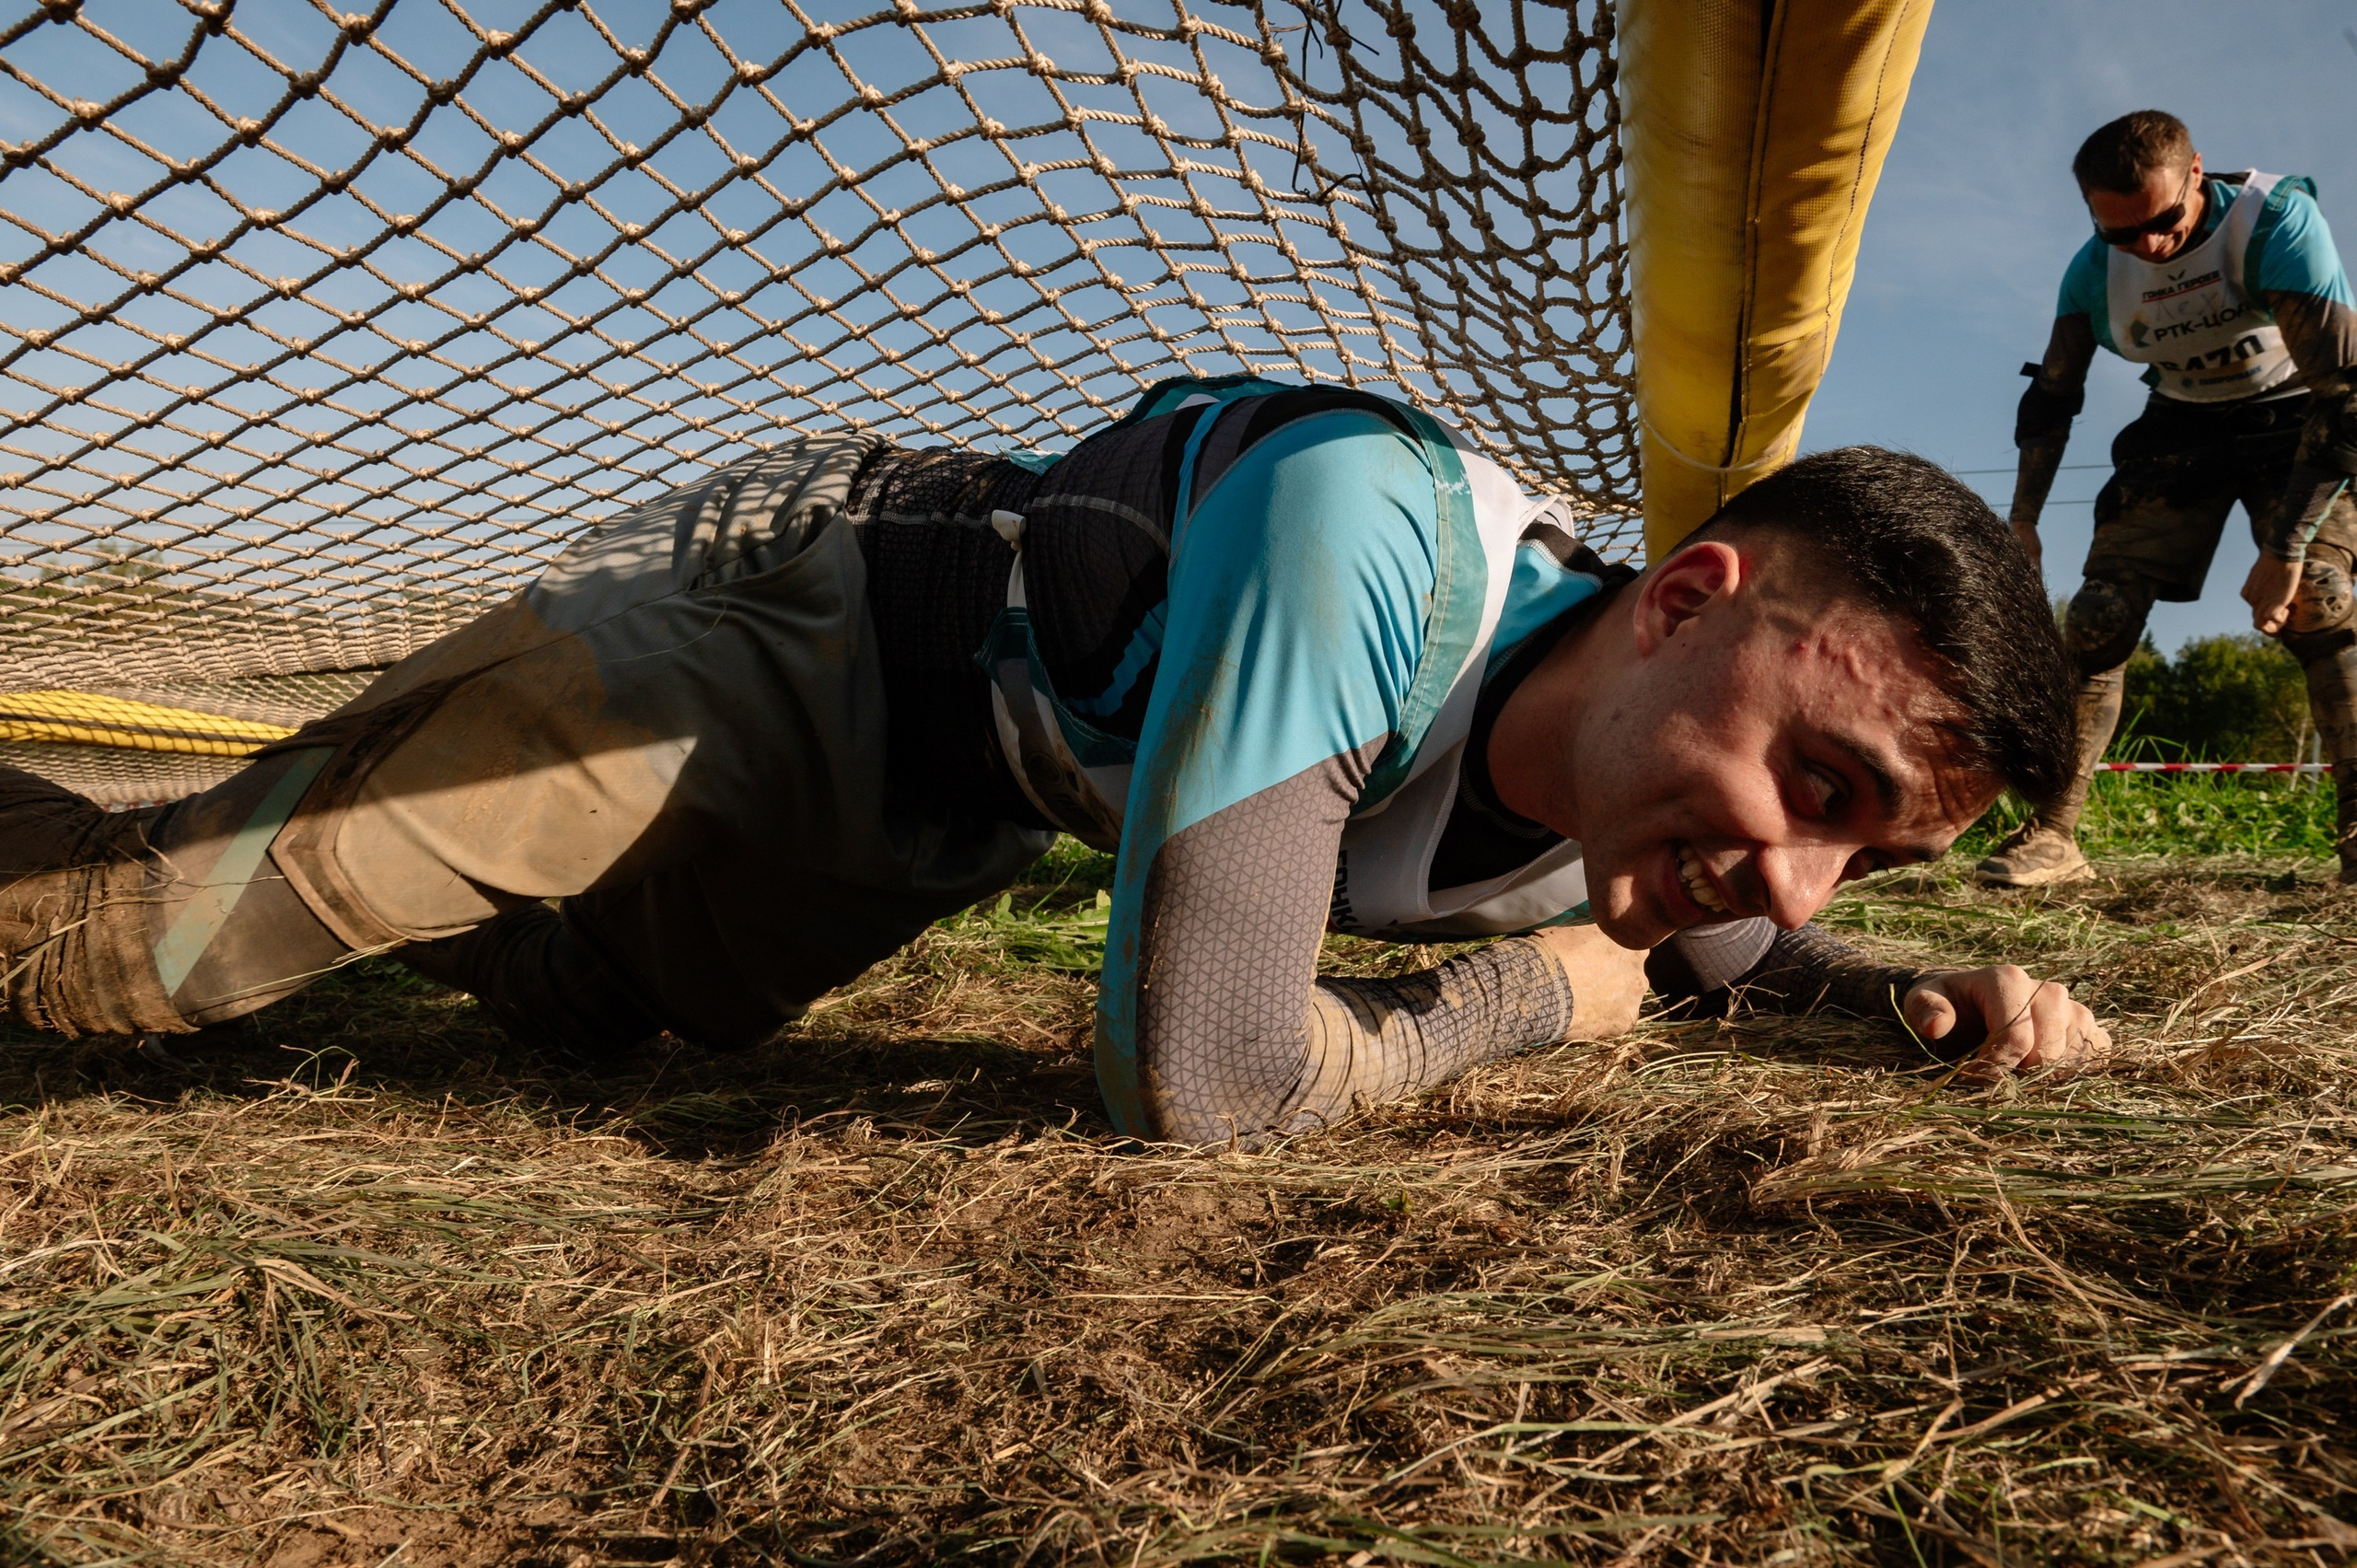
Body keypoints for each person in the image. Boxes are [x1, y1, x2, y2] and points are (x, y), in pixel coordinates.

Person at [0, 377, 2107, 1145]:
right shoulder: (1369, 536)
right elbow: (1203, 1080)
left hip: (943, 803)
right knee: (113, 947)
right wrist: (1513, 1003)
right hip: (789, 623)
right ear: (1678, 602)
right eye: (1817, 791)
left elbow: (1755, 975)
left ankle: (450, 886)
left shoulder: (1667, 802)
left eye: (1866, 855)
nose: (1790, 879)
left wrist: (1925, 1002)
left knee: (587, 1013)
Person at [1977, 110, 2357, 889]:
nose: (2148, 247)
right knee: (2097, 617)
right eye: (2121, 233)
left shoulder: (2275, 224)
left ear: (2197, 173)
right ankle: (2053, 833)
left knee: (2319, 599)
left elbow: (2346, 396)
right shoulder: (2093, 274)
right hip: (2183, 422)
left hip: (2297, 414)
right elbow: (2051, 400)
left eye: (2163, 221)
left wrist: (2285, 549)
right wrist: (2023, 520)